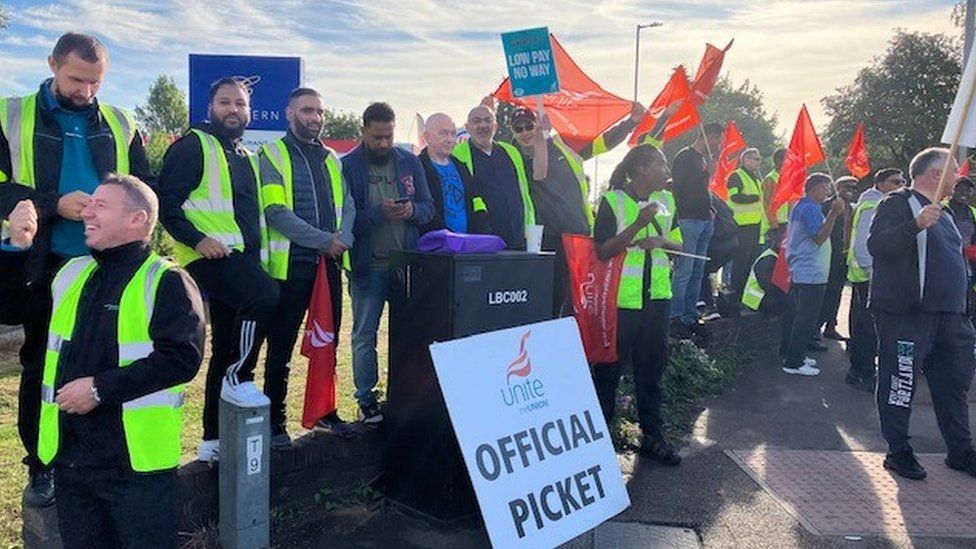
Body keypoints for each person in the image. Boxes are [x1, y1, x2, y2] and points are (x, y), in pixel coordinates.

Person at [9, 174, 203, 548]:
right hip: (71, 461)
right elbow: (13, 309)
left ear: (138, 219)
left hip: (135, 469)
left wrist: (99, 389)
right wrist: (18, 248)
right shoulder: (70, 273)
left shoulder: (166, 279)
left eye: (101, 205)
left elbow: (182, 359)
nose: (86, 213)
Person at [0, 32, 151, 507]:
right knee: (42, 364)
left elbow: (144, 187)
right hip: (43, 263)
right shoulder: (10, 114)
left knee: (108, 362)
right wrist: (51, 205)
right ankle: (41, 464)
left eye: (95, 82)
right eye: (76, 79)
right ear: (51, 64)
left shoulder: (122, 121)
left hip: (108, 264)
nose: (86, 91)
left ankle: (102, 455)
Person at [157, 77, 279, 462]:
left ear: (249, 111)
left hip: (241, 255)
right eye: (225, 102)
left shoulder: (244, 154)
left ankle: (211, 438)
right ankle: (239, 377)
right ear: (210, 107)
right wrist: (198, 240)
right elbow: (166, 204)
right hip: (209, 256)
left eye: (240, 104)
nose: (233, 109)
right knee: (265, 296)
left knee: (225, 344)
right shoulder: (194, 146)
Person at [868, 147, 976, 480]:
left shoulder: (945, 213)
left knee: (953, 385)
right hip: (908, 315)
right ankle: (898, 450)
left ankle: (960, 451)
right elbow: (877, 246)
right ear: (934, 174)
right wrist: (913, 226)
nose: (960, 176)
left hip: (950, 318)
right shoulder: (897, 204)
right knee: (900, 382)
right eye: (954, 170)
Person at [257, 88, 357, 448]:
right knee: (280, 348)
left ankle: (326, 412)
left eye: (319, 111)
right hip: (290, 267)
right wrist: (322, 240)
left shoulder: (333, 159)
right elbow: (275, 211)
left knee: (327, 343)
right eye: (307, 111)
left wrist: (342, 238)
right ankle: (275, 422)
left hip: (328, 265)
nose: (314, 117)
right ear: (289, 113)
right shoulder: (272, 153)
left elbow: (348, 205)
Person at [592, 144, 683, 465]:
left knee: (651, 371)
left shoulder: (669, 199)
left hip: (658, 299)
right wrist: (637, 225)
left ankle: (652, 437)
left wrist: (662, 241)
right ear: (643, 168)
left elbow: (679, 244)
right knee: (609, 371)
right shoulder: (613, 201)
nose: (666, 169)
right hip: (622, 302)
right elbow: (602, 251)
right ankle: (600, 441)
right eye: (661, 163)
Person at [510, 103, 647, 316]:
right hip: (547, 239)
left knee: (580, 299)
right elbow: (538, 172)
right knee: (552, 299)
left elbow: (601, 144)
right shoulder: (515, 158)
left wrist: (631, 122)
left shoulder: (563, 144)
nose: (525, 132)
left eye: (529, 125)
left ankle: (577, 343)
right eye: (518, 129)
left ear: (538, 124)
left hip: (579, 236)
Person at [344, 102, 433, 424]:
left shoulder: (409, 161)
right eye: (377, 137)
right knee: (364, 335)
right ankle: (366, 398)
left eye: (388, 136)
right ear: (363, 131)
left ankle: (403, 393)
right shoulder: (349, 166)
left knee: (406, 333)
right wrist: (377, 213)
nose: (383, 143)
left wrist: (412, 212)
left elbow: (428, 208)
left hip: (404, 265)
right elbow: (347, 221)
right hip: (368, 267)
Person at [845, 168, 905, 392]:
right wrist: (873, 272)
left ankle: (859, 371)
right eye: (894, 181)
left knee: (863, 327)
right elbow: (863, 244)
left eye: (902, 181)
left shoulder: (877, 203)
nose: (900, 185)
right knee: (868, 329)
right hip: (869, 275)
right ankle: (864, 373)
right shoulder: (874, 205)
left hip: (864, 275)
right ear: (879, 183)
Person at [780, 173, 845, 376]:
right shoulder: (809, 208)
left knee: (797, 315)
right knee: (805, 317)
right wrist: (833, 214)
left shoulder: (804, 206)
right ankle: (794, 362)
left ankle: (791, 353)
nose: (828, 193)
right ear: (815, 188)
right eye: (826, 188)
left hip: (804, 269)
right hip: (810, 271)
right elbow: (819, 237)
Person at [453, 101, 532, 250]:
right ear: (467, 127)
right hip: (480, 244)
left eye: (488, 120)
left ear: (495, 126)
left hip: (518, 241)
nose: (483, 126)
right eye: (476, 121)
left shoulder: (511, 152)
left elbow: (524, 195)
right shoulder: (457, 155)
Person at [669, 123, 724, 338]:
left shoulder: (703, 160)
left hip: (704, 219)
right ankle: (675, 317)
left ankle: (690, 315)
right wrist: (706, 174)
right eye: (717, 139)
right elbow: (682, 187)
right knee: (685, 270)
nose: (718, 144)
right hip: (689, 219)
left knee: (698, 271)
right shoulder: (685, 157)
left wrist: (710, 208)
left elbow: (702, 190)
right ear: (708, 136)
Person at [418, 112, 490, 235]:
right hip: (434, 246)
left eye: (453, 134)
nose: (450, 139)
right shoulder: (418, 167)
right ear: (427, 136)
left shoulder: (462, 168)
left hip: (465, 245)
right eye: (443, 133)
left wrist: (482, 231)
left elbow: (475, 202)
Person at [817, 176, 858, 342]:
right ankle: (815, 327)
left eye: (854, 187)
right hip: (829, 254)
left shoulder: (854, 208)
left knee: (837, 293)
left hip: (845, 255)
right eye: (847, 186)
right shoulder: (827, 205)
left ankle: (830, 326)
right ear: (837, 187)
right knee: (826, 292)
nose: (851, 190)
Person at [726, 148, 765, 301]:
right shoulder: (736, 176)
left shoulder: (756, 178)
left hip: (755, 226)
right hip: (742, 226)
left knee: (751, 263)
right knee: (740, 263)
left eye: (759, 159)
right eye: (756, 159)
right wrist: (755, 198)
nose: (759, 162)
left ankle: (744, 296)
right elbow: (734, 196)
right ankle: (735, 294)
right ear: (746, 160)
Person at [699, 192, 738, 319]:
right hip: (732, 241)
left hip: (716, 242)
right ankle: (717, 304)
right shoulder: (712, 195)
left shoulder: (691, 198)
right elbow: (731, 211)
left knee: (700, 270)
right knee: (707, 272)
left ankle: (708, 306)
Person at [741, 246, 788, 315]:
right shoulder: (768, 258)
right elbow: (767, 284)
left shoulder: (775, 257)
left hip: (760, 298)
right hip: (756, 300)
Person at [763, 148, 789, 245]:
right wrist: (773, 222)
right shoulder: (770, 179)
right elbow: (767, 202)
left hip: (786, 222)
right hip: (776, 225)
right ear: (778, 161)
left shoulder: (786, 178)